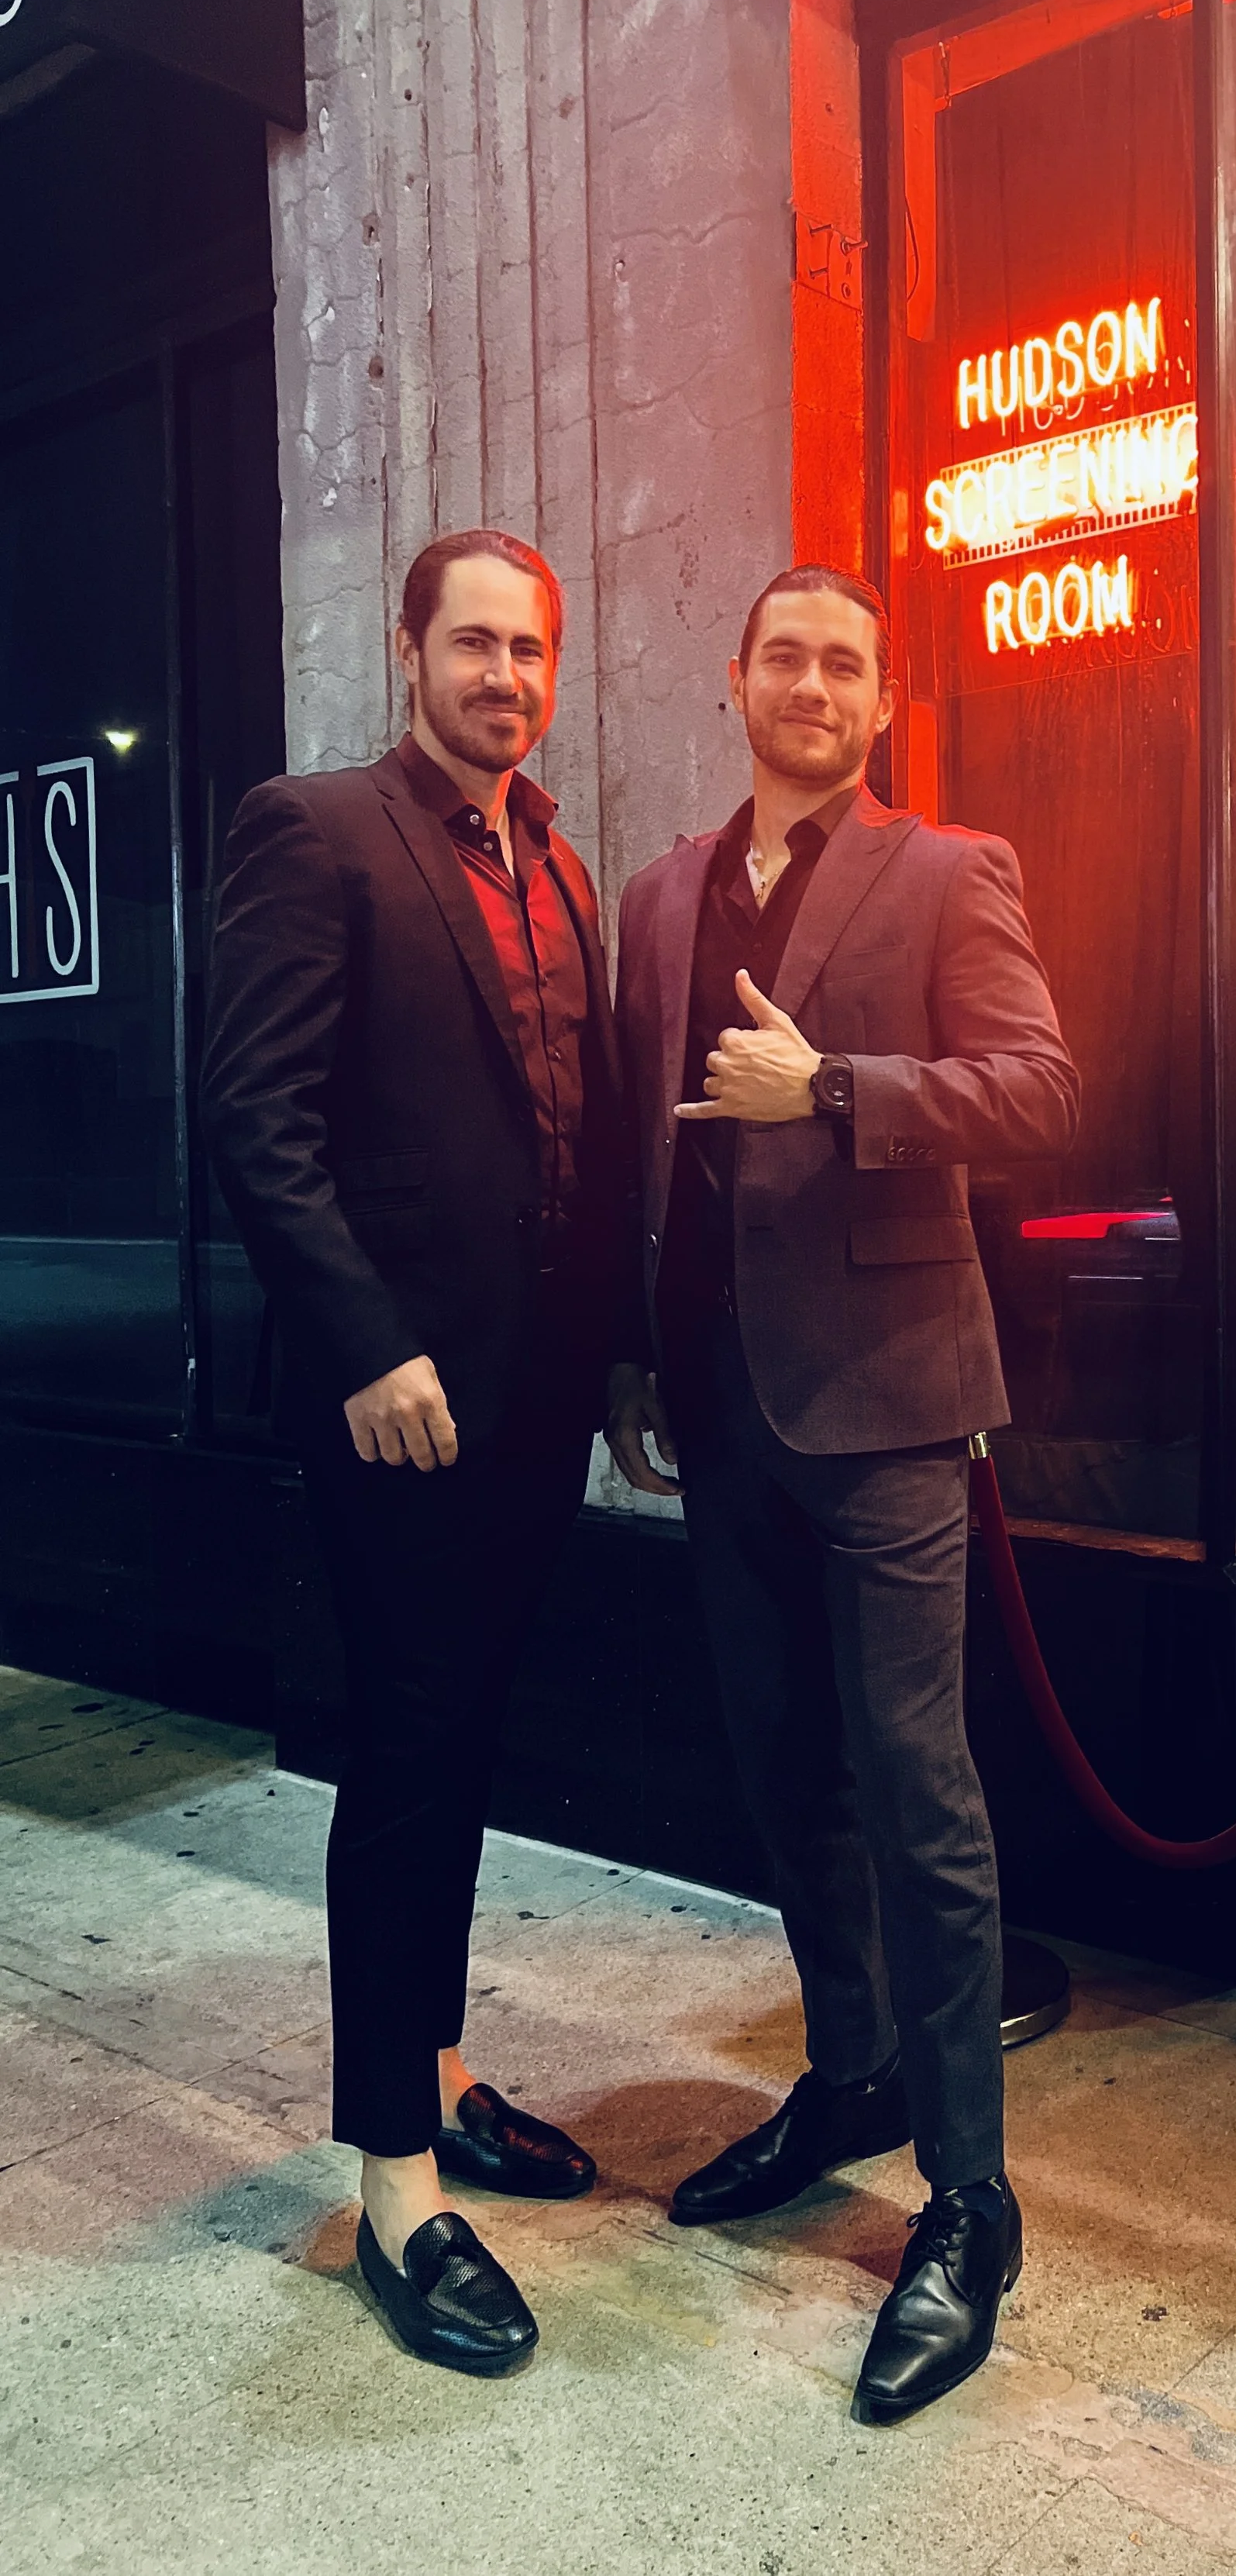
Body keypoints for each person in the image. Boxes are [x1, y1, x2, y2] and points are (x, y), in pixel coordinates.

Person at [607, 564, 1079, 2425]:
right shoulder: (661, 894)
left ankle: (968, 2194)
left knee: (917, 1790)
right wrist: (640, 1360)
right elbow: (656, 1146)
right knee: (780, 1767)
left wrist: (834, 1089)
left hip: (885, 1405)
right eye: (783, 656)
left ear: (883, 703)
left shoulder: (950, 870)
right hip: (718, 1407)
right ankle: (849, 2074)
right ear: (734, 681)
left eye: (845, 665)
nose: (811, 684)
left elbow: (1038, 1092)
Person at [202, 530, 626, 2377]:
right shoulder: (315, 829)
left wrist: (613, 1364)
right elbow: (254, 1113)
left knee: (466, 1745)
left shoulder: (557, 862)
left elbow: (576, 1134)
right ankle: (393, 2183)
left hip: (532, 1405)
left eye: (530, 650)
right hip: (399, 1410)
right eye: (474, 644)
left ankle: (440, 2075)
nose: (505, 677)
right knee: (402, 1765)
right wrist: (367, 1341)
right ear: (408, 652)